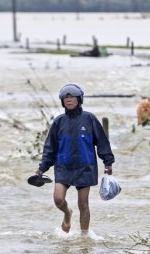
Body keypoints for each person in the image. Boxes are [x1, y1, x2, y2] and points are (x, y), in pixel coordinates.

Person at [35, 83, 115, 235]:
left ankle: (84, 236)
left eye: (72, 97)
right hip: (63, 168)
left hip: (85, 168)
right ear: (62, 101)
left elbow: (102, 142)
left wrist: (108, 162)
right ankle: (67, 213)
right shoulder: (59, 122)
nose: (69, 100)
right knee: (58, 199)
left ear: (79, 99)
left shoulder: (90, 119)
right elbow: (49, 148)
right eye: (66, 98)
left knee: (83, 204)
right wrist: (42, 168)